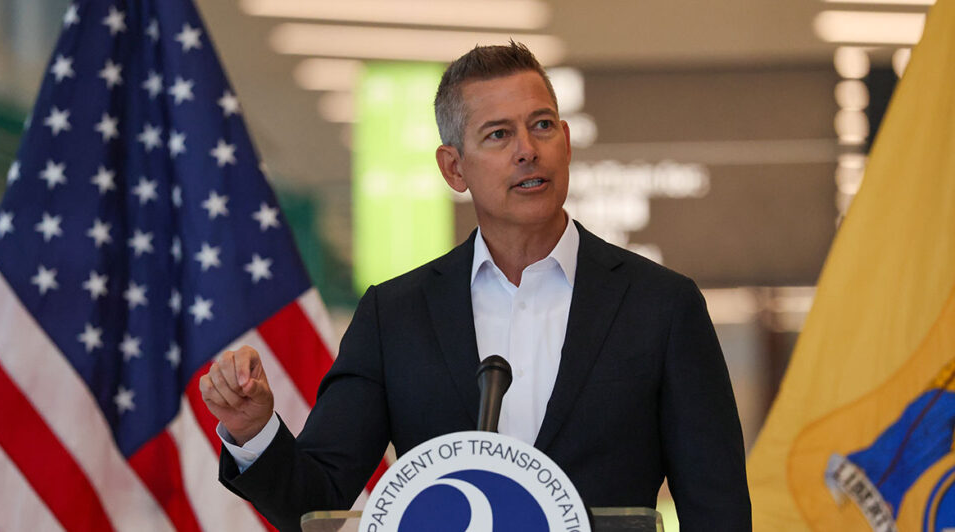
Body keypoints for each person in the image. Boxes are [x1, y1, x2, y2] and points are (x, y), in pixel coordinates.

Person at [200, 41, 752, 531]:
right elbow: (314, 503)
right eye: (498, 134)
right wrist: (255, 433)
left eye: (541, 126)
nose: (527, 150)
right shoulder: (395, 315)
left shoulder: (662, 305)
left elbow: (717, 510)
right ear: (453, 169)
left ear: (565, 141)